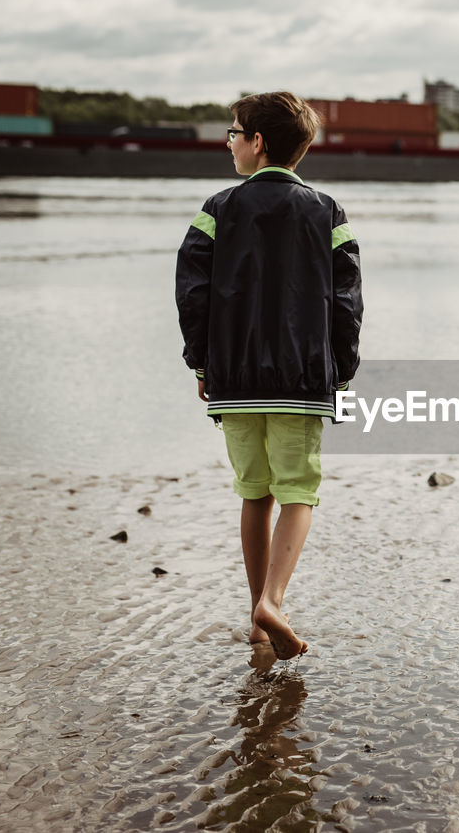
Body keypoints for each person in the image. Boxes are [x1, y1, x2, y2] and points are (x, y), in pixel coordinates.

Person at [175, 91, 362, 665]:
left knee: (253, 493)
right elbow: (346, 300)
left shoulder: (217, 208)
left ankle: (256, 616)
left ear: (258, 143)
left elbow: (193, 292)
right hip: (302, 379)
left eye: (234, 133)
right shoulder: (327, 212)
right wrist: (342, 371)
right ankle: (273, 602)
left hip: (234, 378)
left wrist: (202, 363)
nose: (229, 142)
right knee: (298, 492)